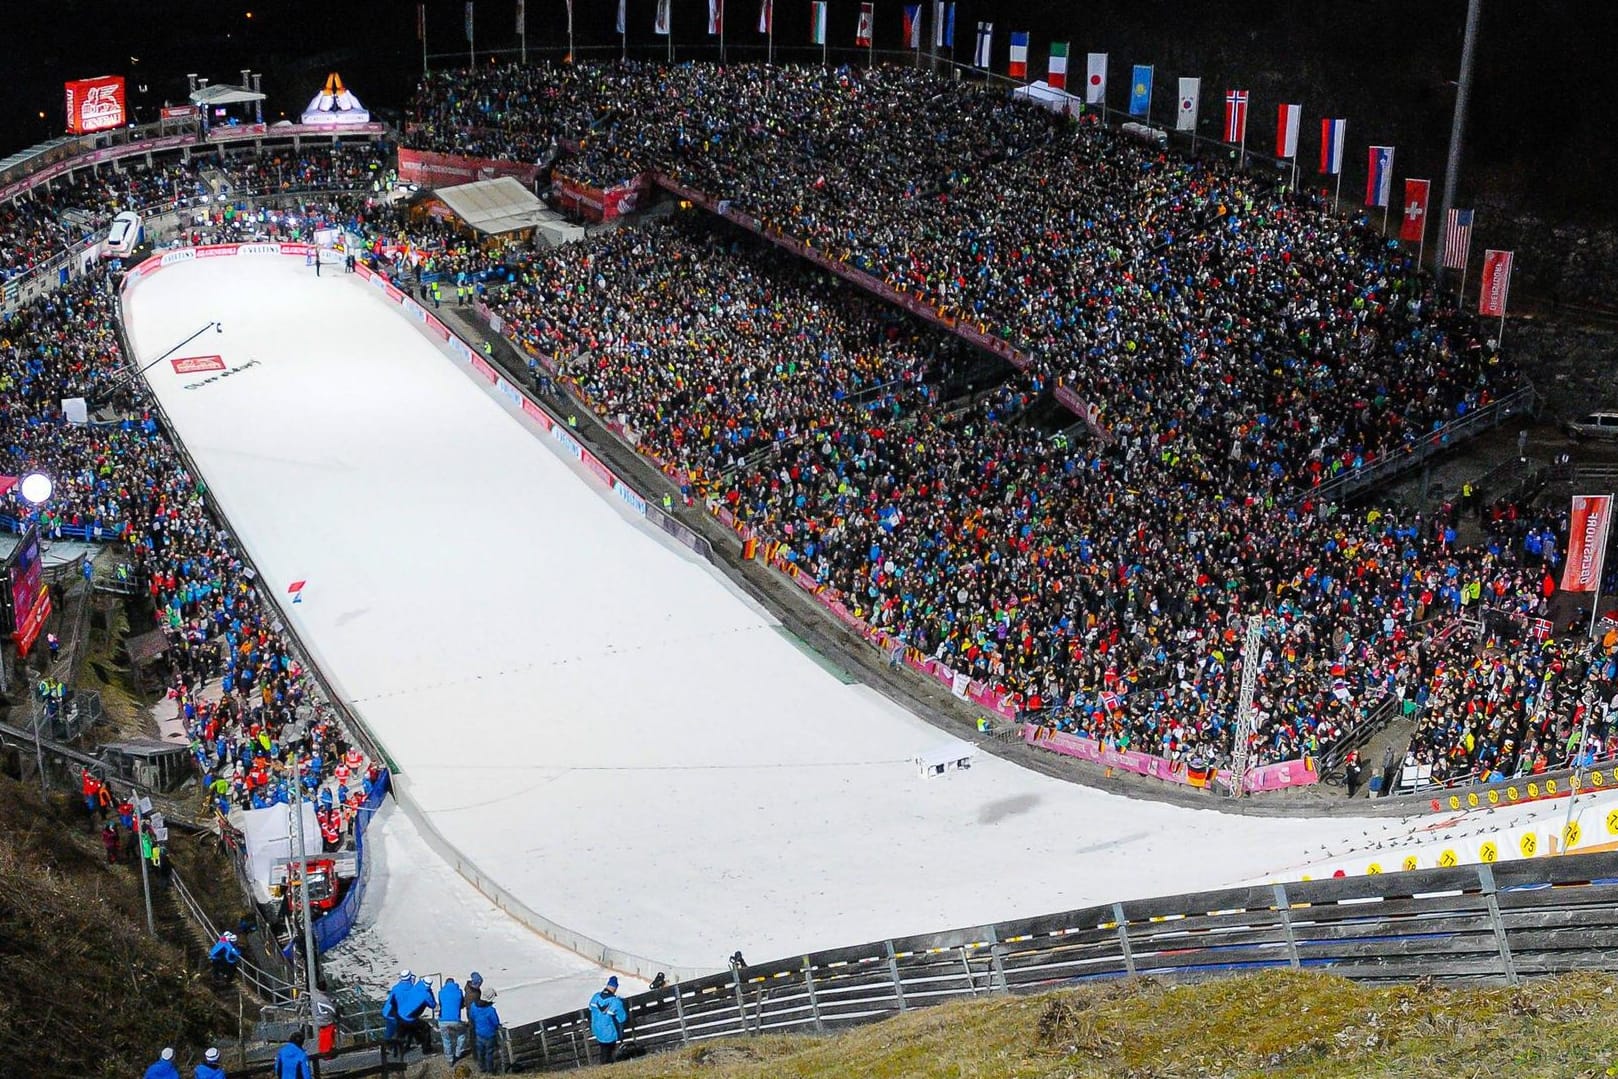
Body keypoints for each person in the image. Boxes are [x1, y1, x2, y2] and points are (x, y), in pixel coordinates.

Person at [588, 977, 628, 1065]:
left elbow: (590, 1008)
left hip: (597, 1029)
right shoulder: (616, 1002)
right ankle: (607, 1064)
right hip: (610, 1032)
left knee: (604, 1049)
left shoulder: (595, 997)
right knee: (608, 1051)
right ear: (616, 988)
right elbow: (622, 1018)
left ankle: (605, 1063)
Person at [468, 992, 502, 1074]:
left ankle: (482, 1067)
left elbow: (471, 1017)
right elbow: (495, 1022)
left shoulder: (473, 1006)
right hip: (490, 1034)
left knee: (480, 1052)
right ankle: (490, 1070)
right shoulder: (490, 1010)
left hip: (479, 1033)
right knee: (489, 1053)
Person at [438, 974, 467, 1063]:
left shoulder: (441, 992)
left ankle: (449, 1059)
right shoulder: (459, 991)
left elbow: (441, 1004)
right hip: (455, 1020)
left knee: (446, 1039)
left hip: (442, 1020)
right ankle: (458, 1052)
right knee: (462, 1034)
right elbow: (462, 1004)